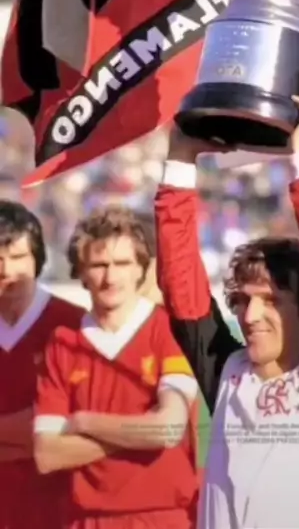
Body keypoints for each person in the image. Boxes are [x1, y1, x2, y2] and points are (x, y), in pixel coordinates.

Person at [156, 97, 299, 529]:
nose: (250, 316)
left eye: (272, 301)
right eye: (242, 300)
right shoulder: (228, 372)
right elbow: (181, 290)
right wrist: (180, 160)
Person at [33, 205, 200, 529]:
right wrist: (140, 432)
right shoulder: (62, 343)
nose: (111, 277)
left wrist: (84, 422)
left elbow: (168, 430)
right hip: (86, 521)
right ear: (81, 272)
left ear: (141, 268)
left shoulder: (170, 330)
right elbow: (47, 455)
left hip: (162, 518)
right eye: (99, 265)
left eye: (122, 263)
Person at [0, 200, 84, 529]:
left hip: (54, 509)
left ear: (37, 259)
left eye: (18, 257)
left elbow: (69, 427)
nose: (6, 270)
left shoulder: (73, 325)